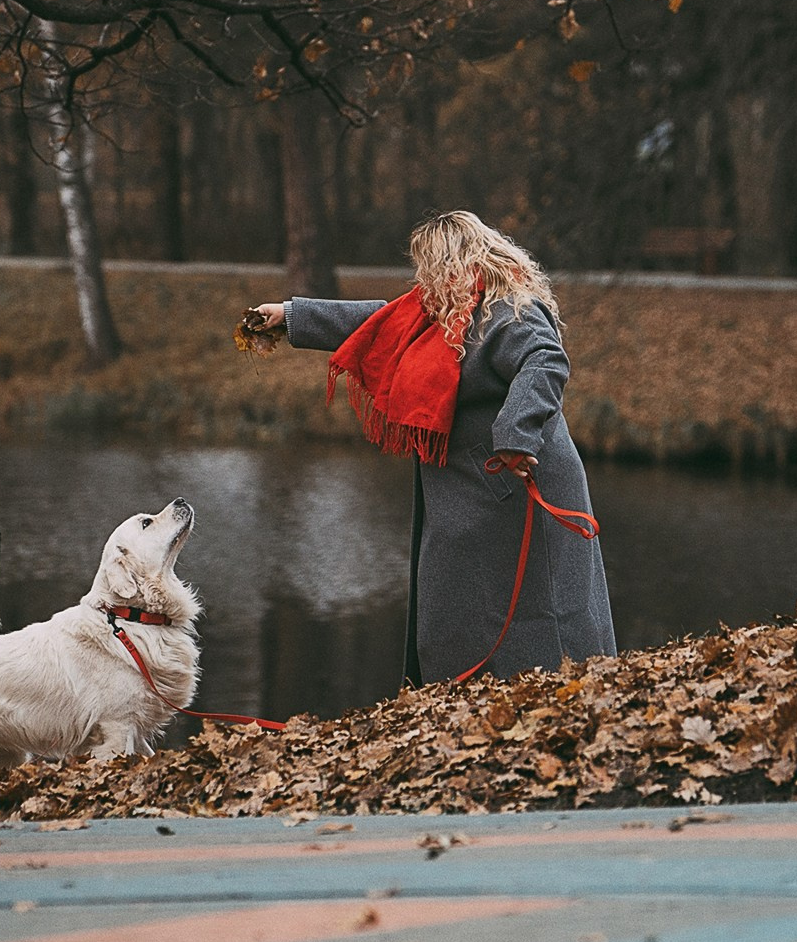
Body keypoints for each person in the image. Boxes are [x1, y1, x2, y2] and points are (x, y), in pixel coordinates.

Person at [251, 211, 616, 685]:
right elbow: (378, 321)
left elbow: (544, 362)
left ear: (455, 261)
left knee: (539, 612)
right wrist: (292, 315)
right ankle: (461, 699)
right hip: (473, 492)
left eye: (429, 267)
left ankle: (552, 695)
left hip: (516, 481)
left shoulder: (509, 312)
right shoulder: (440, 311)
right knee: (453, 607)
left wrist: (516, 434)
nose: (423, 279)